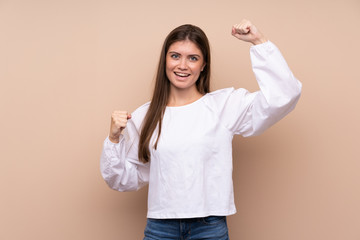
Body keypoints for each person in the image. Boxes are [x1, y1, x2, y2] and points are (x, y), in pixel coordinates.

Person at [100, 19, 302, 240]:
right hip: (160, 228)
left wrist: (259, 42)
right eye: (175, 56)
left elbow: (284, 96)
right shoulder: (145, 116)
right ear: (165, 60)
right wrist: (114, 139)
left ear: (203, 64)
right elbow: (123, 179)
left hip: (209, 228)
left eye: (193, 58)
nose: (183, 65)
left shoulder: (223, 106)